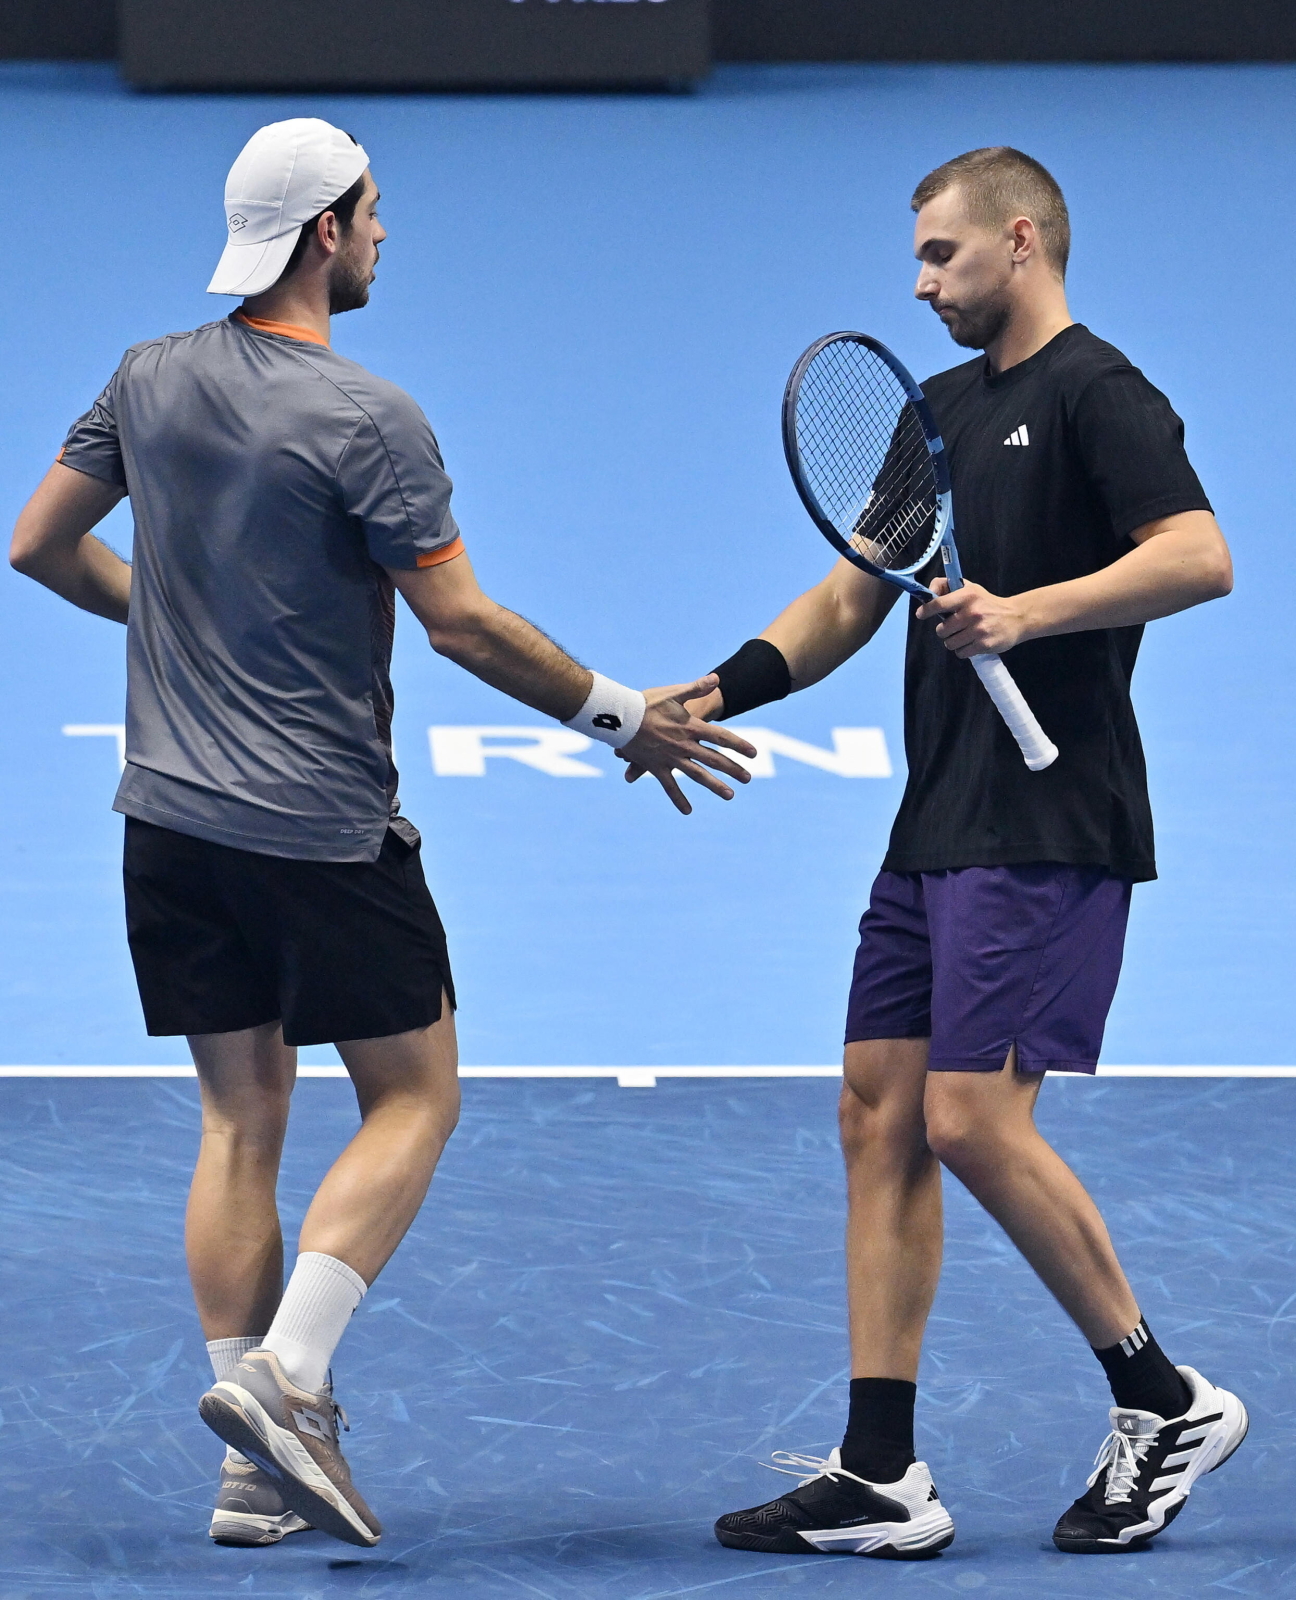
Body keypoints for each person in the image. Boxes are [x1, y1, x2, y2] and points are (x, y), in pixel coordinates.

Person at [9, 118, 755, 1550]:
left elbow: (38, 543)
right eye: (372, 214)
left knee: (239, 1122)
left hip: (166, 823)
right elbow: (460, 622)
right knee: (415, 1098)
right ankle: (288, 1382)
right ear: (326, 234)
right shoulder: (369, 418)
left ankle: (251, 1481)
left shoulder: (145, 375)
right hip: (317, 833)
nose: (383, 234)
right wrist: (623, 718)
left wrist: (183, 617)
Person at [672, 147, 1244, 1558]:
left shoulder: (1102, 392)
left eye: (942, 253)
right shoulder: (931, 412)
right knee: (878, 1111)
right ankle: (882, 1473)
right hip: (938, 816)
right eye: (918, 259)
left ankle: (1165, 1400)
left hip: (1051, 820)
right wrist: (724, 687)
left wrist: (1026, 613)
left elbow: (1197, 554)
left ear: (1022, 239)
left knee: (971, 1118)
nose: (922, 283)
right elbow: (845, 601)